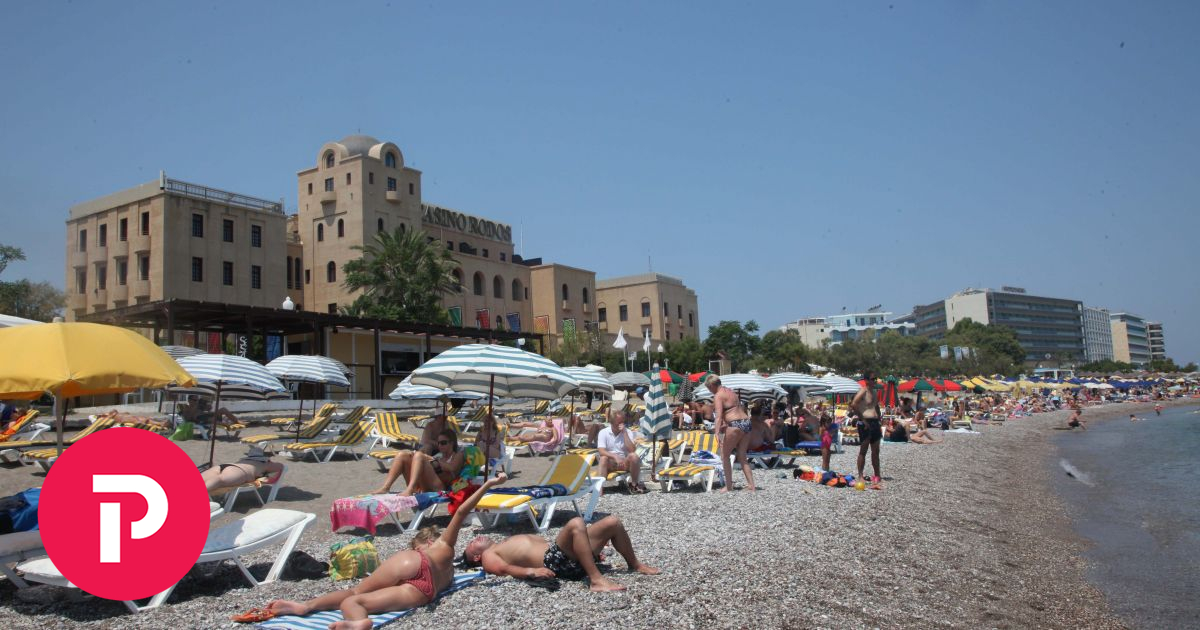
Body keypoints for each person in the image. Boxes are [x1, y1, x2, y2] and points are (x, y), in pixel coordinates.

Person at [267, 474, 508, 628]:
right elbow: (463, 512)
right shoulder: (449, 564)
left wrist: (489, 483)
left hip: (412, 564)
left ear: (425, 543)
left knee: (355, 591)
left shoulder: (439, 546)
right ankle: (358, 621)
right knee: (355, 602)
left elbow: (462, 510)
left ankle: (308, 606)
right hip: (425, 591)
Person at [462, 514, 660, 592]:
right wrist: (531, 572)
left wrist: (584, 550)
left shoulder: (502, 543)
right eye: (471, 545)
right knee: (576, 523)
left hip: (566, 556)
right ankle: (596, 580)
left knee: (613, 522)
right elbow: (504, 569)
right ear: (476, 557)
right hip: (554, 562)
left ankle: (635, 564)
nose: (474, 540)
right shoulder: (489, 556)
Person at [369, 429, 465, 496]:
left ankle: (410, 489)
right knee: (402, 455)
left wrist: (431, 459)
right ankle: (386, 487)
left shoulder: (458, 455)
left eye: (443, 443)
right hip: (424, 485)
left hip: (440, 487)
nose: (440, 445)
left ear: (452, 443)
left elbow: (452, 468)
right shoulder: (439, 455)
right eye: (438, 443)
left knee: (419, 455)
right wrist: (416, 456)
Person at [705, 374, 756, 492]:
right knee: (742, 456)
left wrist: (717, 432)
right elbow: (733, 410)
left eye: (709, 388)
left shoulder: (718, 395)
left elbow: (718, 416)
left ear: (712, 385)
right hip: (746, 422)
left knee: (725, 455)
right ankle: (751, 485)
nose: (709, 391)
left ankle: (728, 486)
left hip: (735, 424)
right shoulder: (731, 392)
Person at [597, 411, 644, 494]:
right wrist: (615, 456)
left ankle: (634, 485)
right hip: (610, 463)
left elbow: (632, 450)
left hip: (624, 462)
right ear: (612, 422)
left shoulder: (628, 432)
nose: (621, 424)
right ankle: (599, 489)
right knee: (603, 458)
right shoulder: (603, 432)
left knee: (633, 456)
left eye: (623, 422)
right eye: (619, 423)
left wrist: (624, 433)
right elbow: (601, 451)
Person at [850, 370, 883, 485]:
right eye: (873, 379)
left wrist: (879, 417)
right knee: (863, 450)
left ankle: (877, 475)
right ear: (867, 380)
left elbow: (875, 405)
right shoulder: (863, 391)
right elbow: (854, 404)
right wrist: (863, 420)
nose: (875, 381)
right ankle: (860, 476)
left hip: (874, 422)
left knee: (876, 451)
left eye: (875, 379)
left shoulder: (874, 392)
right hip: (866, 422)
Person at [202, 449, 284, 493]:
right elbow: (281, 466)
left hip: (223, 466)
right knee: (219, 480)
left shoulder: (244, 461)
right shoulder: (265, 463)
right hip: (240, 471)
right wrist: (269, 461)